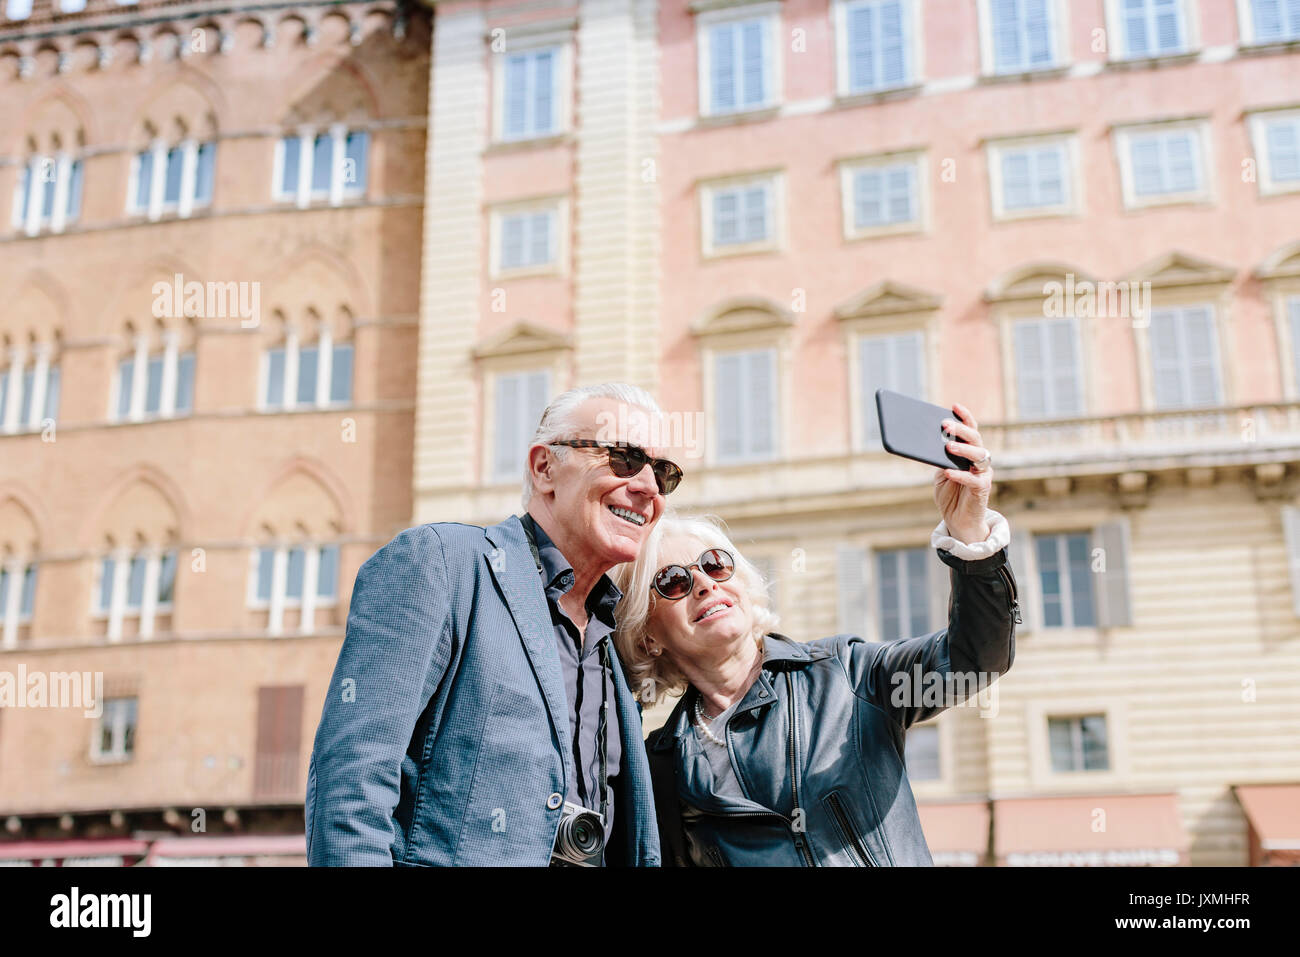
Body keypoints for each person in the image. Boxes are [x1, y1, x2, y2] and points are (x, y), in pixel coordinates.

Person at [611, 402, 1018, 866]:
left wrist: (969, 535)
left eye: (715, 565)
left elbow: (975, 660)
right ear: (647, 636)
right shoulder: (661, 766)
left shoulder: (846, 672)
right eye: (673, 582)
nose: (704, 582)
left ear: (741, 584)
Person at [305, 383, 682, 866]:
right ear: (545, 467)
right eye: (625, 458)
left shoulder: (609, 640)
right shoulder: (442, 563)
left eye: (664, 473)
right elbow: (352, 780)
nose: (649, 487)